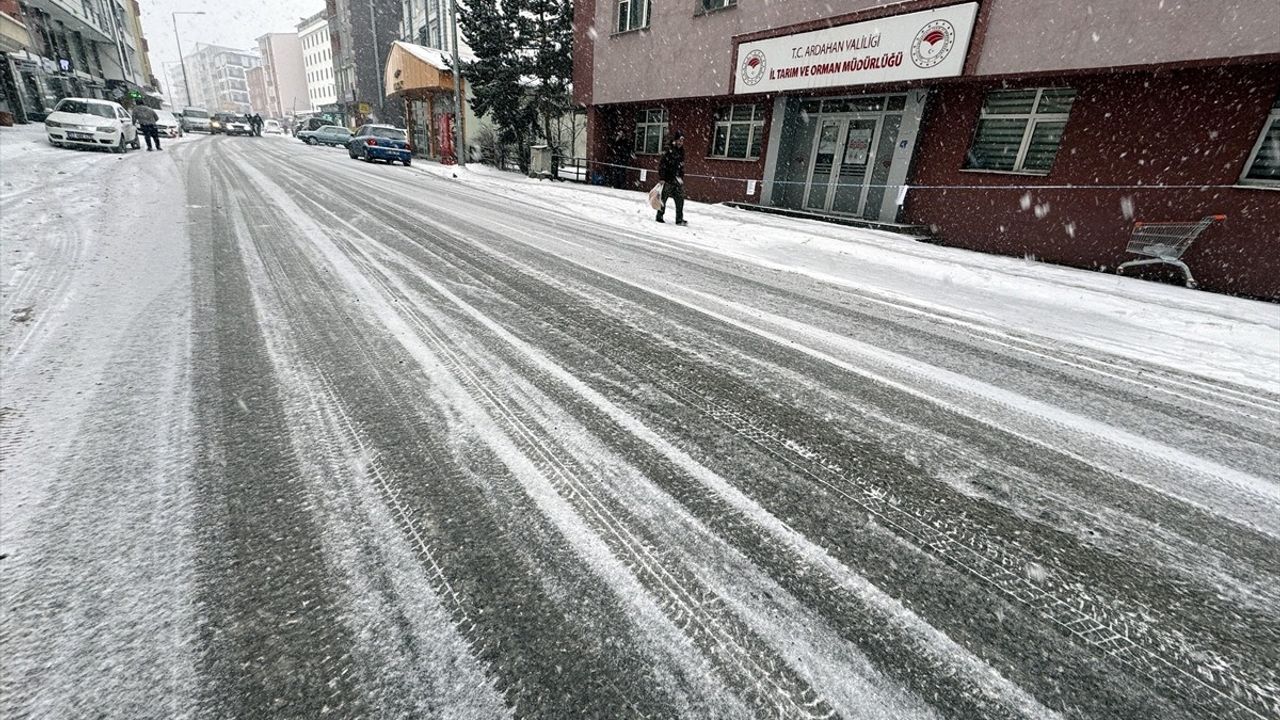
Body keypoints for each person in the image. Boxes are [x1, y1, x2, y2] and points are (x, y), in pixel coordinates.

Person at [656, 130, 687, 225]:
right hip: (668, 179)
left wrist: (681, 176)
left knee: (680, 199)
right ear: (675, 140)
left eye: (682, 141)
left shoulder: (681, 151)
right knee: (663, 198)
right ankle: (659, 216)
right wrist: (662, 178)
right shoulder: (669, 150)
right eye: (679, 140)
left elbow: (681, 166)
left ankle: (679, 219)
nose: (681, 142)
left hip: (677, 179)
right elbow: (662, 165)